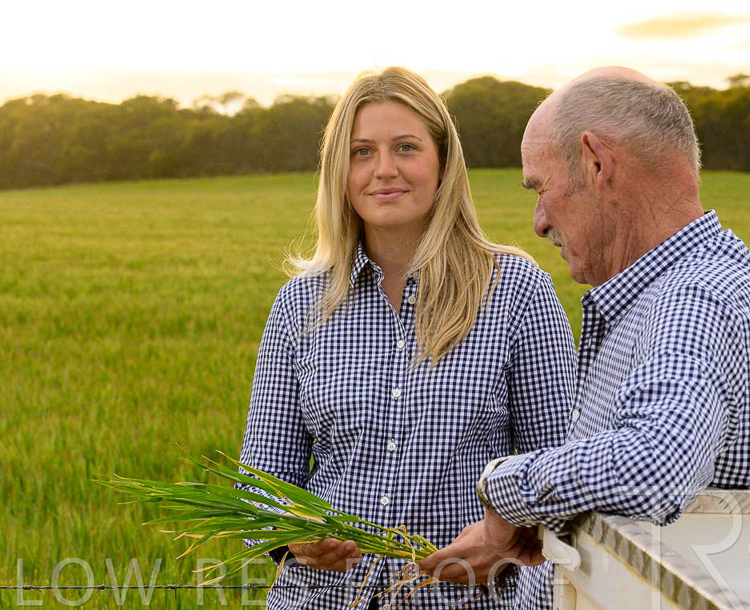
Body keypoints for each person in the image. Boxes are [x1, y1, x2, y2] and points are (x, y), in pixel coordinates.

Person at [419, 67, 750, 608]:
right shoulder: (677, 288)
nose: (539, 222)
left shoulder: (694, 301)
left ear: (596, 163)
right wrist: (549, 518)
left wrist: (505, 488)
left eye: (541, 188)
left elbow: (652, 466)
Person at [238, 67, 577, 609]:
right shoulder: (301, 304)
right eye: (361, 152)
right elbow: (261, 484)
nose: (383, 170)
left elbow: (564, 471)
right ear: (339, 170)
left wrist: (513, 544)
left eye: (405, 147)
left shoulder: (516, 291)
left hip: (463, 600)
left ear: (442, 161)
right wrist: (293, 537)